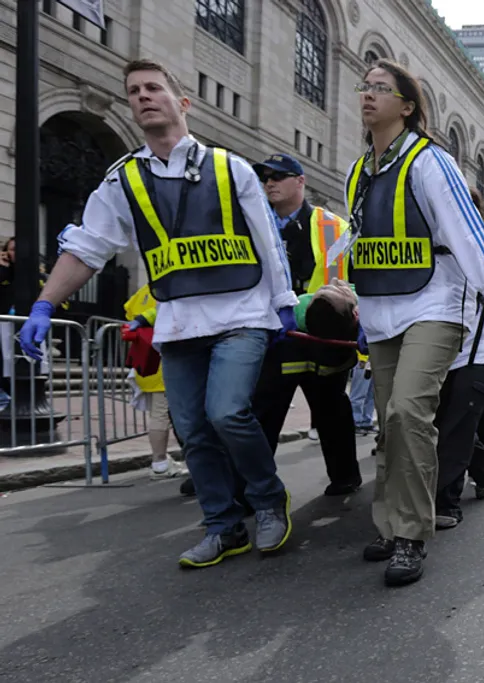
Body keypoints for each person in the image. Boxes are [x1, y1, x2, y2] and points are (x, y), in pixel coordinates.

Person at [19, 59, 298, 568]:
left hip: (241, 316)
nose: (143, 96)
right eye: (133, 91)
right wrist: (44, 303)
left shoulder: (229, 167)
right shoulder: (122, 179)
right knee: (191, 430)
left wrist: (283, 305)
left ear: (182, 102)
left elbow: (268, 241)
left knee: (227, 413)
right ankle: (222, 526)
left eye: (154, 88)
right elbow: (88, 248)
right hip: (179, 325)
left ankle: (267, 501)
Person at [345, 59, 484, 586]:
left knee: (407, 413)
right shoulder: (361, 170)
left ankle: (411, 535)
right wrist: (356, 302)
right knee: (386, 425)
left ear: (407, 106)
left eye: (382, 88)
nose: (369, 94)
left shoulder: (429, 161)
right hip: (380, 314)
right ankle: (390, 521)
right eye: (365, 86)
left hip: (434, 307)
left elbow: (468, 229)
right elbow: (359, 243)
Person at [251, 152, 361, 496]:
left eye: (279, 176)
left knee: (331, 410)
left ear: (301, 182)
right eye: (265, 176)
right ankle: (254, 487)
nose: (270, 182)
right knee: (264, 411)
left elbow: (356, 280)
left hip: (324, 339)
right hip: (275, 335)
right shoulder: (251, 223)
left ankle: (345, 477)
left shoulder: (334, 227)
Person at [434, 187, 484, 529]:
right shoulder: (428, 247)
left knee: (457, 423)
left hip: (479, 352)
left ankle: (445, 502)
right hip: (436, 350)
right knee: (442, 423)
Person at [252, 280, 363, 495]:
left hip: (301, 350)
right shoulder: (350, 303)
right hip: (297, 349)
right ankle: (345, 478)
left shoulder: (353, 301)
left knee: (269, 418)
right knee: (270, 417)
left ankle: (253, 488)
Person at [122, 283, 182, 478]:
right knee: (162, 415)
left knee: (158, 415)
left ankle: (161, 461)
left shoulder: (142, 293)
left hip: (145, 362)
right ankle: (160, 463)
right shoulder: (167, 288)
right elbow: (167, 310)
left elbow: (128, 311)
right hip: (164, 361)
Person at [350, 351, 376, 434]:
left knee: (371, 394)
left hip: (374, 358)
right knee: (358, 393)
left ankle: (366, 422)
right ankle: (355, 421)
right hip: (363, 359)